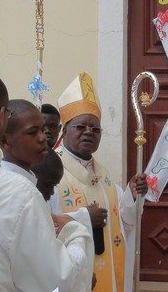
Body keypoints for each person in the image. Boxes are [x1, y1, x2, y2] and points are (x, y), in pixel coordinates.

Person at [0, 70, 94, 292]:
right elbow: (59, 279)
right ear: (1, 117)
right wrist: (75, 232)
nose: (42, 138)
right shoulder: (19, 193)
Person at [55, 72, 148, 292]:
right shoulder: (51, 172)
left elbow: (124, 222)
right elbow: (44, 226)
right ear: (64, 129)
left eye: (95, 129)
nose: (89, 132)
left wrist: (132, 195)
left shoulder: (103, 176)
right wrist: (85, 218)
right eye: (81, 127)